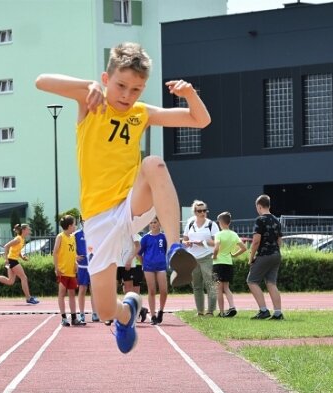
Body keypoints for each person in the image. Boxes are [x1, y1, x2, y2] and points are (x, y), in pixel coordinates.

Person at [35, 41, 211, 353]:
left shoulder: (141, 113)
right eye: (121, 86)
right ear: (106, 79)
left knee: (154, 163)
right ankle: (127, 312)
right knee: (103, 310)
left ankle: (174, 249)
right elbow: (41, 81)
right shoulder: (92, 100)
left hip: (132, 203)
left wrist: (190, 94)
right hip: (99, 218)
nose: (127, 96)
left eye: (136, 90)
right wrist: (86, 85)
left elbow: (200, 120)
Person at [0, 223, 40, 305]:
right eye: (28, 229)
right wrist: (6, 259)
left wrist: (22, 257)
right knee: (24, 277)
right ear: (23, 230)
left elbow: (16, 250)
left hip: (12, 260)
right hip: (12, 260)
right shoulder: (18, 239)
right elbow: (6, 246)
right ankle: (28, 298)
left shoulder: (22, 239)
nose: (29, 230)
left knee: (10, 281)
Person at [247, 194, 283, 320]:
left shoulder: (260, 220)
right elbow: (279, 240)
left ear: (259, 206)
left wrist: (251, 257)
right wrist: (276, 252)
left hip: (264, 254)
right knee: (271, 283)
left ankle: (263, 310)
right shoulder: (276, 220)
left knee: (251, 281)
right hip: (276, 254)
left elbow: (256, 241)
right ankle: (278, 313)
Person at [183, 199, 218, 316]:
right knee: (197, 286)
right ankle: (200, 311)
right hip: (192, 258)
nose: (202, 213)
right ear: (195, 212)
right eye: (199, 211)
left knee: (210, 284)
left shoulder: (211, 224)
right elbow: (184, 239)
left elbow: (216, 243)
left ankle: (211, 311)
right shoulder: (190, 223)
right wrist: (187, 243)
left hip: (207, 257)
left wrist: (202, 242)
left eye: (204, 210)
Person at [212, 211, 247, 317]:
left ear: (220, 222)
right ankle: (232, 307)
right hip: (228, 263)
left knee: (218, 288)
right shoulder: (234, 234)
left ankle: (222, 312)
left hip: (218, 263)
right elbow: (244, 248)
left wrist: (214, 256)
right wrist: (235, 255)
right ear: (229, 222)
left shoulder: (219, 234)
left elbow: (216, 247)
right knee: (226, 287)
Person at [139, 216, 168, 325]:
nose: (153, 224)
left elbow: (165, 249)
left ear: (159, 223)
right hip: (148, 267)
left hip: (160, 266)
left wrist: (160, 258)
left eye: (155, 222)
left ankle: (161, 310)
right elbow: (139, 253)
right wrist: (144, 263)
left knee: (163, 291)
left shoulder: (163, 237)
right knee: (151, 290)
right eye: (151, 223)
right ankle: (153, 315)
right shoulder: (145, 238)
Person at [53, 214, 80, 327]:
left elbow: (73, 253)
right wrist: (56, 267)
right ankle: (64, 318)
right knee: (62, 293)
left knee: (72, 294)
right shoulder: (60, 237)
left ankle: (74, 317)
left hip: (71, 271)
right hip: (63, 271)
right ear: (69, 226)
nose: (75, 226)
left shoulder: (72, 237)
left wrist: (75, 262)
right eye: (74, 224)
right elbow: (55, 253)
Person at [74, 220, 97, 324]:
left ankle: (95, 313)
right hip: (82, 267)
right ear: (81, 222)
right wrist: (75, 256)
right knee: (82, 289)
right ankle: (82, 313)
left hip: (93, 266)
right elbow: (71, 248)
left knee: (94, 291)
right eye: (83, 220)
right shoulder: (76, 235)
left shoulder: (94, 232)